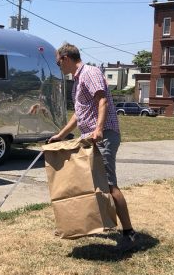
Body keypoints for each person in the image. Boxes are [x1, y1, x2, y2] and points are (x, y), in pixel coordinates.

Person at [48, 43, 137, 249]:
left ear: (65, 58)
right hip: (90, 138)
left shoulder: (90, 72)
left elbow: (102, 100)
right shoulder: (78, 80)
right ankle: (93, 224)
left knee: (109, 185)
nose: (58, 66)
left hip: (103, 136)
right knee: (91, 184)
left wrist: (98, 129)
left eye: (58, 62)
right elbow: (79, 114)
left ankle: (129, 232)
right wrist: (60, 135)